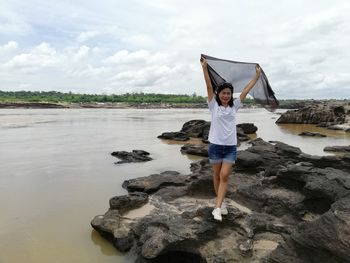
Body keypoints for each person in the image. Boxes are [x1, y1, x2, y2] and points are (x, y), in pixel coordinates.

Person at [200, 56, 261, 221]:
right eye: (223, 93)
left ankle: (218, 208)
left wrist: (256, 77)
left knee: (225, 175)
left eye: (228, 93)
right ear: (218, 94)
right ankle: (220, 204)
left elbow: (246, 90)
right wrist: (205, 68)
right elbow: (208, 85)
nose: (226, 96)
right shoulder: (213, 106)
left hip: (230, 147)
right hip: (215, 145)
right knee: (216, 176)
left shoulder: (235, 106)